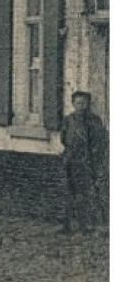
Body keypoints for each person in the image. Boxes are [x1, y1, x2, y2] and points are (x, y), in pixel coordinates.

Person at [62, 90, 108, 234]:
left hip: (87, 162)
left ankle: (86, 225)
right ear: (73, 104)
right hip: (70, 161)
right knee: (69, 193)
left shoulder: (94, 120)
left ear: (88, 104)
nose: (80, 106)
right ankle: (68, 226)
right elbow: (63, 139)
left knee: (86, 194)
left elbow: (99, 141)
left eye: (83, 103)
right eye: (77, 103)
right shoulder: (69, 120)